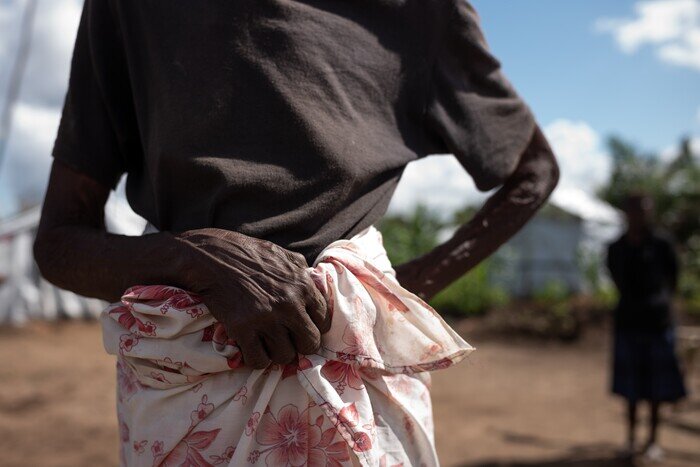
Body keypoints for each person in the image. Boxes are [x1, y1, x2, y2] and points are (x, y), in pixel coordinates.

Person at [34, 1, 559, 465]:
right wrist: (192, 259)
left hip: (357, 373)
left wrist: (393, 296)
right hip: (187, 391)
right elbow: (59, 242)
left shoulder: (420, 11)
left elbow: (533, 170)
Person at [606, 194, 687, 461]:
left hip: (657, 323)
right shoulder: (616, 247)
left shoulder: (662, 244)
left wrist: (660, 305)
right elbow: (616, 278)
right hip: (629, 323)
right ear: (626, 213)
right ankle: (630, 439)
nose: (639, 216)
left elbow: (673, 278)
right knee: (631, 390)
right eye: (634, 210)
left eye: (644, 211)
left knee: (656, 389)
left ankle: (652, 441)